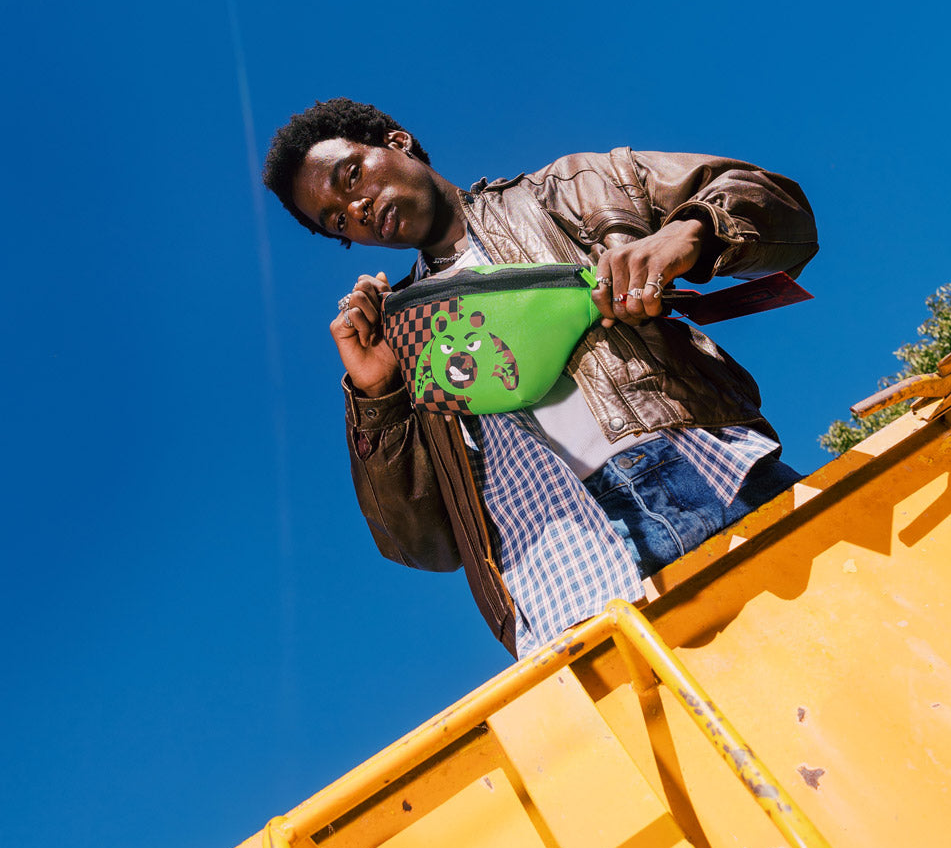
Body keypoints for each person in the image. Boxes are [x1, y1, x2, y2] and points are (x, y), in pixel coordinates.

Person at [263, 98, 818, 657]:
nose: (356, 209)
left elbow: (776, 204)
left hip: (705, 480)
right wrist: (377, 392)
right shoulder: (403, 334)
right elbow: (423, 546)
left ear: (397, 142)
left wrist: (689, 233)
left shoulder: (571, 187)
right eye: (338, 221)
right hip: (556, 579)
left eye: (351, 177)